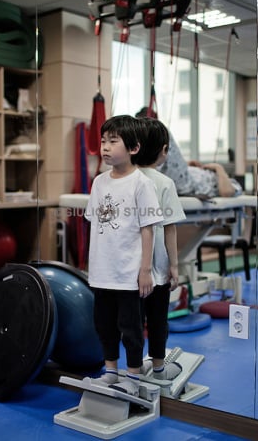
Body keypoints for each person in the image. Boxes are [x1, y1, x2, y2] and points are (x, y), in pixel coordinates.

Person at [84, 115, 164, 396]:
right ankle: (111, 371)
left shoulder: (141, 184)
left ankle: (132, 376)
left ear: (133, 148)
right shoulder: (98, 182)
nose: (105, 147)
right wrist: (90, 265)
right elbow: (94, 223)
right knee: (104, 325)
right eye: (103, 141)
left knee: (130, 328)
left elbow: (148, 229)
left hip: (129, 273)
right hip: (102, 272)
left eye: (113, 141)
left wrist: (145, 270)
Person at [135, 117, 186, 381]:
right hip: (155, 269)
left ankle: (132, 369)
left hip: (127, 268)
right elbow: (170, 228)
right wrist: (174, 266)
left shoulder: (123, 178)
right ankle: (157, 368)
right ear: (164, 151)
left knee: (131, 322)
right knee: (157, 321)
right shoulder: (164, 183)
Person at [135, 107, 241, 199]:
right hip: (183, 174)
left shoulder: (232, 184)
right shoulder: (210, 175)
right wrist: (188, 165)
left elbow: (227, 193)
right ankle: (142, 129)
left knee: (163, 134)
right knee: (156, 144)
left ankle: (142, 128)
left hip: (186, 183)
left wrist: (219, 168)